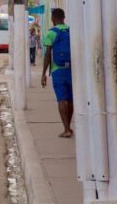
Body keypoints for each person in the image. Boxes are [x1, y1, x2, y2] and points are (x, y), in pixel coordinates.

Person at [40, 8, 73, 138]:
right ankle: (69, 126)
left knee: (61, 99)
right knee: (70, 100)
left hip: (58, 70)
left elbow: (48, 54)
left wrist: (44, 73)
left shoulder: (51, 33)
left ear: (53, 19)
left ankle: (66, 129)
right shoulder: (71, 30)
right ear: (64, 17)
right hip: (71, 69)